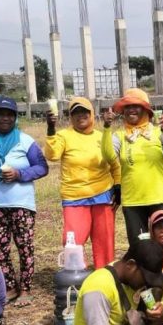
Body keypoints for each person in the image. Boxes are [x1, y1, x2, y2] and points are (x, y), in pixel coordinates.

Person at [0, 96, 48, 306]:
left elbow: (42, 167)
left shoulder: (26, 141)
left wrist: (19, 174)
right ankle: (10, 286)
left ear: (15, 117)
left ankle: (25, 289)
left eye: (9, 114)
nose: (5, 118)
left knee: (25, 247)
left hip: (22, 204)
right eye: (1, 114)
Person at [43, 97, 120, 268]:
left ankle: (106, 276)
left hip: (103, 194)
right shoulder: (64, 136)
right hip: (74, 197)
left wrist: (118, 186)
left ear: (92, 113)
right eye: (75, 112)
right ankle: (78, 276)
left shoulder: (101, 136)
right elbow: (52, 155)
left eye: (84, 111)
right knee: (72, 240)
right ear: (70, 116)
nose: (81, 116)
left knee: (105, 241)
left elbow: (114, 164)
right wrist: (50, 128)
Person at [101, 88, 163, 242]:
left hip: (158, 199)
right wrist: (106, 128)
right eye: (127, 106)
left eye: (136, 106)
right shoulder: (120, 135)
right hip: (133, 202)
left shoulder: (158, 132)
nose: (131, 109)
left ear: (145, 109)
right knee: (140, 247)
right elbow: (108, 156)